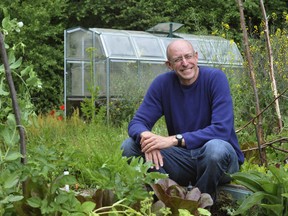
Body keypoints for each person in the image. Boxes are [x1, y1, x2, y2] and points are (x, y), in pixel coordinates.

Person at [121, 39, 244, 199]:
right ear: (169, 65)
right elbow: (137, 123)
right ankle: (169, 197)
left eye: (188, 56)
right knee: (130, 146)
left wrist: (173, 140)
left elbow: (221, 130)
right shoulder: (162, 84)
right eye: (178, 59)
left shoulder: (215, 79)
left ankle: (199, 204)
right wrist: (147, 137)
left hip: (219, 162)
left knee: (216, 149)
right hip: (183, 160)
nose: (185, 63)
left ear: (196, 57)